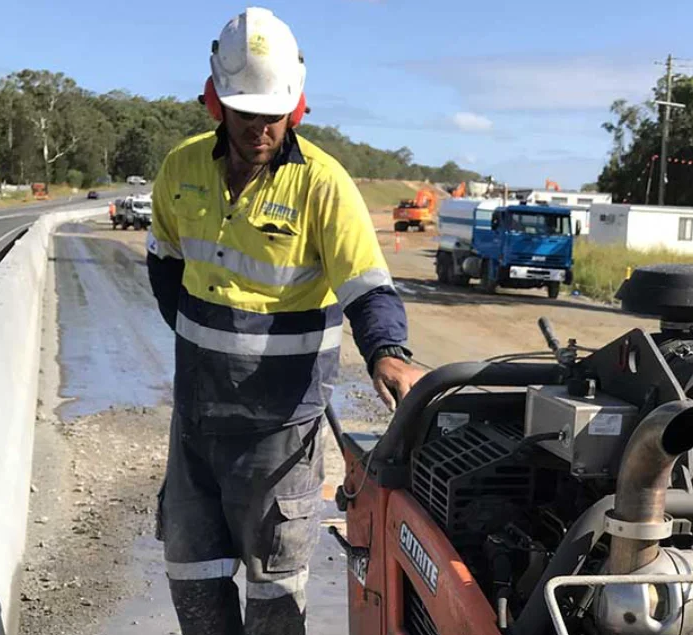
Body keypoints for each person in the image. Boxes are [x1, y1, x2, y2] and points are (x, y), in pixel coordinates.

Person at [144, 8, 425, 634]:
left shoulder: (323, 184)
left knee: (273, 600)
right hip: (195, 420)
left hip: (281, 431)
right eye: (247, 113)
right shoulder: (180, 171)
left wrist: (388, 351)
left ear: (296, 107)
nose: (260, 128)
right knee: (194, 580)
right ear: (217, 102)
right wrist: (204, 346)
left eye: (274, 114)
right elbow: (163, 264)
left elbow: (368, 286)